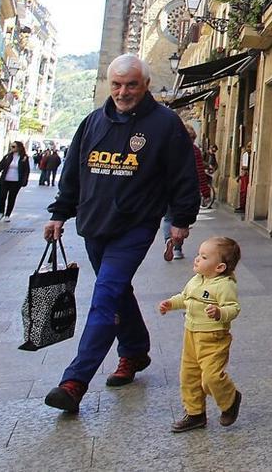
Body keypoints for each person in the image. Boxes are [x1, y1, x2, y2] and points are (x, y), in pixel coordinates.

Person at [42, 53, 201, 414]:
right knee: (116, 292)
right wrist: (59, 214)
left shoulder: (165, 124)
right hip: (94, 224)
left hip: (136, 225)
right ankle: (134, 351)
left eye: (131, 84)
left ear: (145, 85)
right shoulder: (92, 122)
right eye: (116, 84)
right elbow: (73, 173)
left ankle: (74, 381)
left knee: (106, 293)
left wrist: (181, 220)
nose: (123, 91)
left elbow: (183, 176)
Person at [158, 236, 242, 432]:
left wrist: (220, 312)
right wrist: (170, 304)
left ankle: (230, 399)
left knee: (211, 378)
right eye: (198, 254)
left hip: (213, 338)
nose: (197, 259)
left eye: (203, 257)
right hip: (191, 335)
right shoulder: (196, 280)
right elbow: (185, 298)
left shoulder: (224, 285)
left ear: (219, 267)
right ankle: (195, 414)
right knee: (189, 376)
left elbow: (233, 308)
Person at [161, 124, 210, 261]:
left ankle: (168, 241)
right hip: (186, 193)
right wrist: (205, 192)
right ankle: (177, 249)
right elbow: (200, 173)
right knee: (181, 221)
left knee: (168, 218)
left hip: (167, 191)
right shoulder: (194, 151)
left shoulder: (168, 150)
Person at [0, 141, 30, 222]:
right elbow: (0, 167)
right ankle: (1, 212)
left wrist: (24, 181)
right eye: (11, 146)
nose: (12, 148)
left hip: (16, 182)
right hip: (5, 180)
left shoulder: (24, 158)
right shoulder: (7, 156)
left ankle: (7, 215)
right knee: (1, 196)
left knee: (12, 198)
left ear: (19, 148)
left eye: (14, 147)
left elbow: (26, 171)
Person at [236, 142, 251, 213]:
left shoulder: (246, 154)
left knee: (244, 191)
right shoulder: (246, 154)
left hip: (246, 175)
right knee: (243, 191)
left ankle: (243, 206)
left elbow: (245, 166)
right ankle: (242, 205)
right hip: (245, 175)